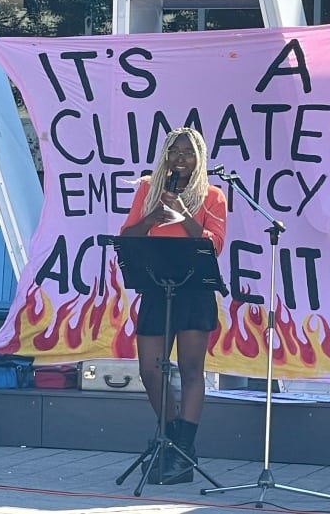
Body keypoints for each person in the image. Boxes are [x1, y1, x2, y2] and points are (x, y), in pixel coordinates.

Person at [120, 127, 227, 484]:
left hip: (194, 291)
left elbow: (215, 245)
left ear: (199, 159)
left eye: (188, 153)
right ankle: (169, 437)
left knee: (191, 370)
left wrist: (184, 214)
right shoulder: (148, 189)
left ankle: (184, 447)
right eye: (174, 152)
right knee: (151, 369)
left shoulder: (213, 195)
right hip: (157, 289)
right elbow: (128, 237)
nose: (180, 159)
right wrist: (152, 218)